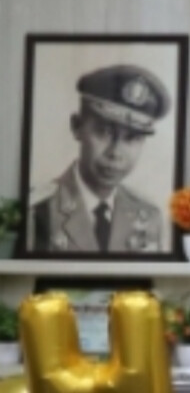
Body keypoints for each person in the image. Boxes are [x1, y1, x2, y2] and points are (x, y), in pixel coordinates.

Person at [26, 64, 170, 254]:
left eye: (131, 138)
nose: (115, 153)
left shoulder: (149, 217)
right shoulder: (37, 211)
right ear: (77, 126)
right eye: (104, 132)